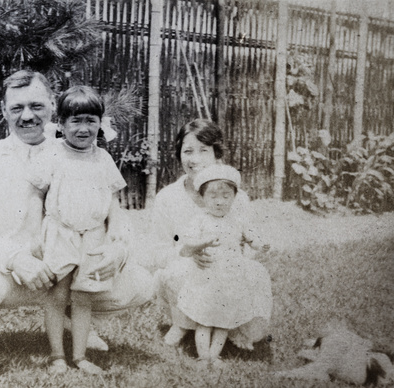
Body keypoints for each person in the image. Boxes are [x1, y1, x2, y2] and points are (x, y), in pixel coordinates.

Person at [0, 70, 152, 363]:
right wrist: (16, 257)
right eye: (17, 108)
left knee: (141, 283)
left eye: (36, 106)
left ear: (53, 107)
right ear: (4, 110)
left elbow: (112, 206)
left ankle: (78, 320)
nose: (27, 116)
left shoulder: (83, 150)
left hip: (73, 267)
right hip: (15, 277)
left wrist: (118, 248)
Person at [29, 86, 126, 374]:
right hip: (61, 231)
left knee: (84, 297)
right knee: (57, 295)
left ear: (100, 124)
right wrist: (35, 234)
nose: (83, 129)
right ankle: (57, 355)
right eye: (75, 121)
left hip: (93, 234)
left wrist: (114, 234)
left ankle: (81, 356)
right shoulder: (52, 154)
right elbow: (35, 195)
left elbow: (113, 200)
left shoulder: (103, 158)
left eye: (90, 121)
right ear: (60, 124)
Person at [151, 119, 269, 349]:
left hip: (227, 273)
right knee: (178, 270)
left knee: (255, 271)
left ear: (217, 155)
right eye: (187, 151)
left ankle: (232, 324)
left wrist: (230, 260)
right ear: (179, 155)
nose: (194, 159)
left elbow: (247, 243)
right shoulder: (167, 198)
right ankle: (183, 324)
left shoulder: (237, 198)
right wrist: (188, 253)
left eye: (203, 151)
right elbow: (157, 251)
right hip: (186, 268)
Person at [171, 164, 272, 366]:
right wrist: (203, 243)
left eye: (226, 196)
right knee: (205, 320)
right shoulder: (200, 219)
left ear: (234, 197)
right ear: (202, 198)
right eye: (213, 197)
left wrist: (261, 244)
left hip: (230, 280)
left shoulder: (237, 220)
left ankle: (215, 355)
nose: (220, 202)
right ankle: (203, 356)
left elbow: (251, 237)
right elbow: (186, 243)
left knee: (223, 321)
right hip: (205, 279)